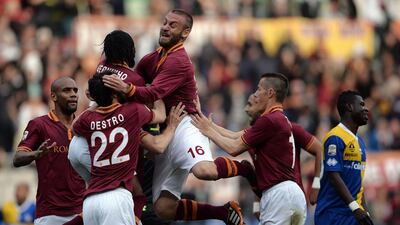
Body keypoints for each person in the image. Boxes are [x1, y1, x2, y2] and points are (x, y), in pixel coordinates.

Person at [103, 9, 251, 225]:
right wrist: (103, 89)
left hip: (185, 124)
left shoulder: (179, 61)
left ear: (185, 33)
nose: (165, 27)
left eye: (173, 25)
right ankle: (223, 212)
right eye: (164, 22)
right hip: (166, 130)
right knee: (163, 209)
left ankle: (244, 168)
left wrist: (125, 87)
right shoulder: (151, 59)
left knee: (204, 171)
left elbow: (152, 93)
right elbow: (137, 81)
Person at [191, 73, 307, 225]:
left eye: (259, 89)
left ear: (270, 93)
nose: (256, 94)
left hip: (280, 194)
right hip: (288, 194)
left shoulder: (270, 120)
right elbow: (234, 136)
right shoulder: (277, 120)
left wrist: (207, 131)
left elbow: (233, 148)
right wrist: (208, 124)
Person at [72, 72, 167, 225]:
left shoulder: (88, 119)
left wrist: (97, 100)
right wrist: (156, 92)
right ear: (114, 92)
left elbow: (74, 127)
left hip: (90, 202)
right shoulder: (133, 111)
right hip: (116, 197)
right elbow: (161, 115)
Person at [13, 77, 86, 225]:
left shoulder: (84, 126)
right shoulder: (39, 125)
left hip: (81, 210)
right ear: (53, 96)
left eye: (75, 90)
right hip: (50, 213)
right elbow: (17, 158)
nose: (73, 94)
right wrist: (36, 154)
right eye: (66, 90)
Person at [315, 90, 374, 225]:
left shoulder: (359, 142)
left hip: (352, 215)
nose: (366, 109)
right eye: (362, 104)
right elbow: (334, 176)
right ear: (349, 107)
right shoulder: (335, 137)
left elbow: (359, 184)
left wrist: (364, 210)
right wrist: (355, 207)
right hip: (333, 215)